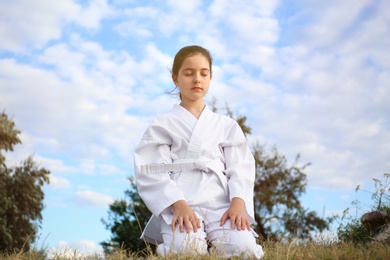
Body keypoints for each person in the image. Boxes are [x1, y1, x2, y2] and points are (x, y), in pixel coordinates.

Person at [133, 45, 264, 259]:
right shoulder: (162, 124)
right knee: (185, 251)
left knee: (244, 251)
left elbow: (241, 166)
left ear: (211, 78)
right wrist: (177, 205)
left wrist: (238, 202)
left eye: (204, 73)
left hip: (222, 202)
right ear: (175, 78)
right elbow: (150, 169)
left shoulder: (226, 125)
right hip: (182, 202)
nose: (197, 79)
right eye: (188, 73)